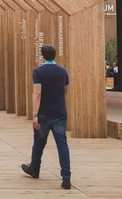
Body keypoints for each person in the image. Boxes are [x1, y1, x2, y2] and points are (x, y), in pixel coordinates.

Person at [21, 44, 71, 190]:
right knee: (62, 144)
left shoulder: (38, 71)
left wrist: (34, 115)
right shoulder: (63, 71)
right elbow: (65, 89)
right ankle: (66, 177)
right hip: (60, 113)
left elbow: (37, 93)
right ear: (55, 55)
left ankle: (34, 169)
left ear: (43, 55)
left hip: (43, 114)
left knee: (39, 141)